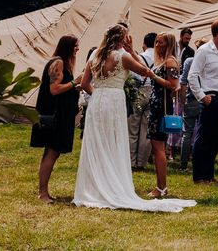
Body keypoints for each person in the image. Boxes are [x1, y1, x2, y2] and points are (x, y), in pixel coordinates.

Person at [73, 24, 196, 212]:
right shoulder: (122, 57)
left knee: (96, 142)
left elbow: (83, 83)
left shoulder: (94, 54)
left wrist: (98, 93)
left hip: (97, 101)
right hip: (114, 101)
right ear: (122, 39)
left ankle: (92, 186)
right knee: (113, 143)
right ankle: (112, 185)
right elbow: (145, 72)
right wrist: (134, 55)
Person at [34, 35, 82, 203]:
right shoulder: (58, 62)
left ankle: (44, 191)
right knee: (51, 152)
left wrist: (74, 87)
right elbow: (54, 89)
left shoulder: (63, 63)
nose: (78, 49)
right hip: (56, 116)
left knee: (51, 153)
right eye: (76, 46)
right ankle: (42, 193)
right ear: (68, 46)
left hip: (62, 114)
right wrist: (75, 82)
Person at [188, 18, 218, 184]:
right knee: (203, 138)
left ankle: (209, 174)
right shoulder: (203, 51)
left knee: (216, 138)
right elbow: (192, 75)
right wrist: (202, 96)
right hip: (211, 98)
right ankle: (199, 175)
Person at [147, 32, 181, 198]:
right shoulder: (160, 60)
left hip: (162, 106)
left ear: (168, 45)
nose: (157, 45)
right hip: (156, 105)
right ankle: (160, 185)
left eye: (161, 43)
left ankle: (161, 187)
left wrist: (153, 76)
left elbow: (173, 85)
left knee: (159, 147)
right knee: (156, 146)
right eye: (156, 42)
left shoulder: (170, 61)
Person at [128, 32, 156, 170]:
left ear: (144, 44)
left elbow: (134, 75)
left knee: (133, 128)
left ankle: (131, 162)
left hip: (140, 91)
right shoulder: (159, 58)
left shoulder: (139, 57)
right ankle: (142, 163)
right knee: (146, 130)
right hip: (153, 92)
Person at [179, 37, 207, 171]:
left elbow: (183, 82)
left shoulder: (189, 61)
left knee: (187, 133)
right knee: (202, 133)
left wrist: (182, 100)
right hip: (204, 99)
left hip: (191, 99)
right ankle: (200, 163)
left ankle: (183, 164)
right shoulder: (208, 62)